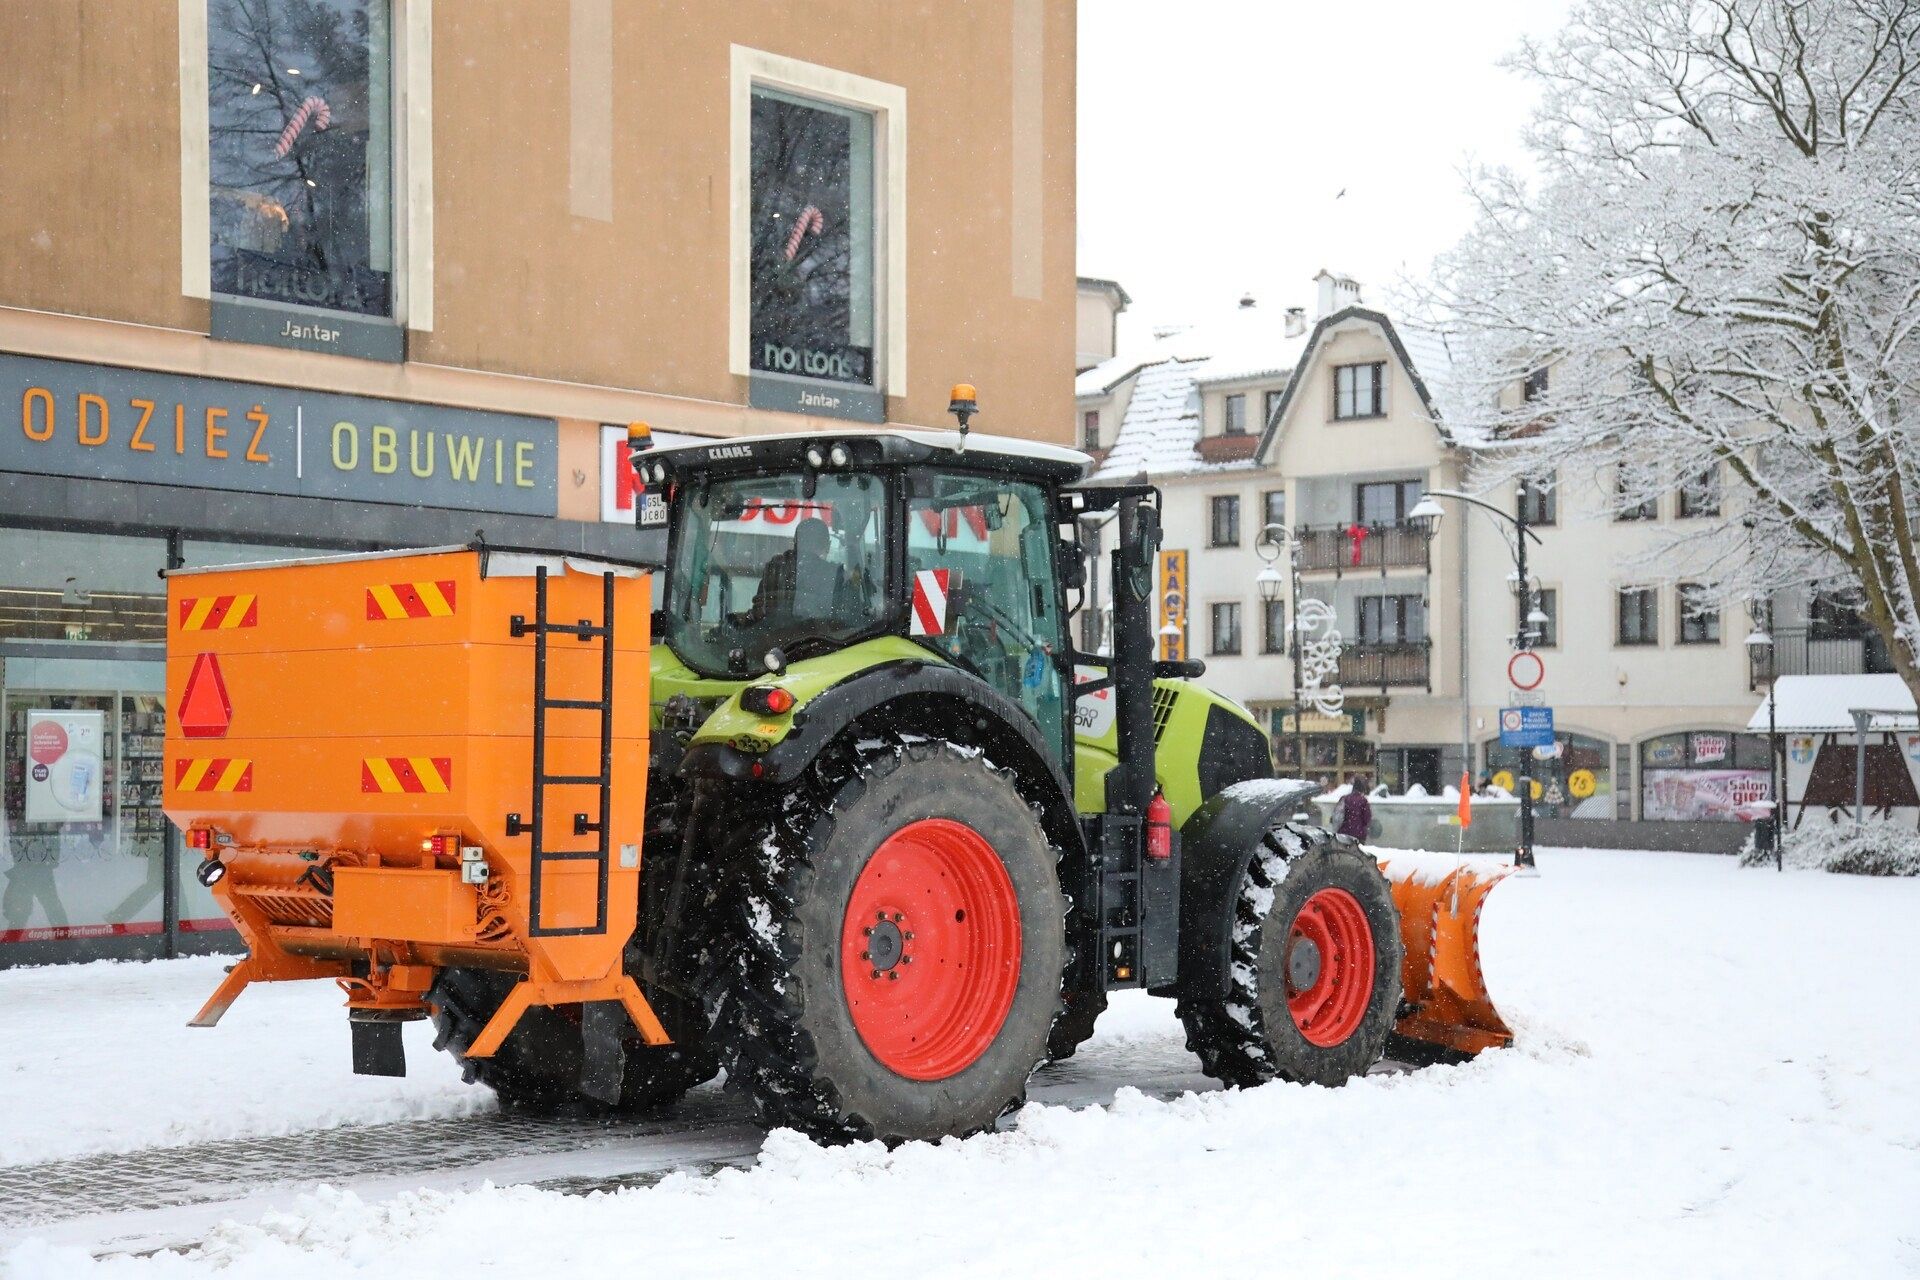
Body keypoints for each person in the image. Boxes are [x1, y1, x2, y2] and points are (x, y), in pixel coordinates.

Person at [1335, 773, 1373, 841]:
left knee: (1344, 851)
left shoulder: (1345, 798)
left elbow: (1337, 815)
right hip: (1358, 833)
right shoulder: (1363, 800)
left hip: (1344, 833)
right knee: (1357, 850)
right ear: (1362, 789)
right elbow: (1367, 818)